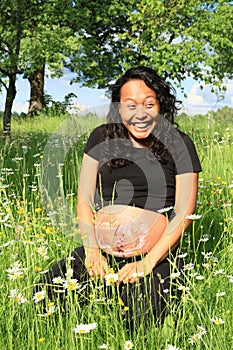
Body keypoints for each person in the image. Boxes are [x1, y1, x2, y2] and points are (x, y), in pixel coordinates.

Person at [37, 66, 202, 328]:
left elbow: (184, 213)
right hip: (100, 251)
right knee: (45, 295)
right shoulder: (100, 138)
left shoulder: (179, 143)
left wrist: (147, 263)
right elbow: (84, 200)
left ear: (160, 104)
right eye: (130, 105)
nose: (140, 114)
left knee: (142, 316)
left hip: (156, 255)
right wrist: (92, 251)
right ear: (119, 109)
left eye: (149, 103)